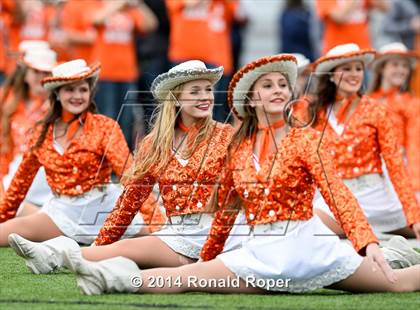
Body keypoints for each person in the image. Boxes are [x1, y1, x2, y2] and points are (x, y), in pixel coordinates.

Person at [57, 54, 419, 295]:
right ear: (252, 99)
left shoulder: (307, 139)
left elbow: (339, 196)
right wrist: (208, 260)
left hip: (314, 251)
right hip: (258, 253)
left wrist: (366, 241)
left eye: (282, 84)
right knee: (183, 280)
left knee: (397, 285)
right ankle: (109, 279)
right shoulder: (239, 149)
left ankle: (391, 250)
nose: (277, 90)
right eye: (268, 85)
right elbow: (226, 213)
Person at [7, 60, 247, 275]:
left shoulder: (227, 136)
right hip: (178, 234)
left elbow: (244, 190)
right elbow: (131, 198)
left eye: (208, 90)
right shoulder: (154, 144)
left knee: (130, 259)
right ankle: (53, 254)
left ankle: (64, 254)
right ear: (175, 98)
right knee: (103, 252)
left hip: (223, 232)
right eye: (195, 91)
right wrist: (103, 244)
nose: (205, 97)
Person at [0, 59, 160, 249]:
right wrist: (4, 216)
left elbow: (131, 177)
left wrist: (156, 221)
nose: (77, 96)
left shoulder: (105, 127)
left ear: (90, 94)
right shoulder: (40, 133)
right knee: (4, 233)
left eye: (83, 90)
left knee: (162, 240)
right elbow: (19, 185)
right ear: (57, 94)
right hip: (63, 213)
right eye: (70, 90)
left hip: (105, 210)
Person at [311, 43, 420, 239]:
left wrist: (413, 214)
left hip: (376, 196)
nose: (354, 74)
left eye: (358, 69)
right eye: (347, 69)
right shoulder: (314, 112)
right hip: (336, 197)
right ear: (331, 75)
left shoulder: (375, 109)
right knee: (309, 227)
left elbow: (394, 163)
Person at [0, 41, 56, 216]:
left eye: (46, 72)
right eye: (36, 71)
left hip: (50, 180)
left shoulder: (63, 105)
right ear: (25, 73)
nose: (41, 77)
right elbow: (4, 150)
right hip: (16, 177)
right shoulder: (8, 102)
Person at [368, 42, 420, 200]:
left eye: (404, 66)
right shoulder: (367, 101)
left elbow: (414, 144)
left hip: (402, 170)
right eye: (395, 64)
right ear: (382, 68)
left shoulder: (412, 103)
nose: (401, 70)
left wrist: (415, 184)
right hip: (372, 171)